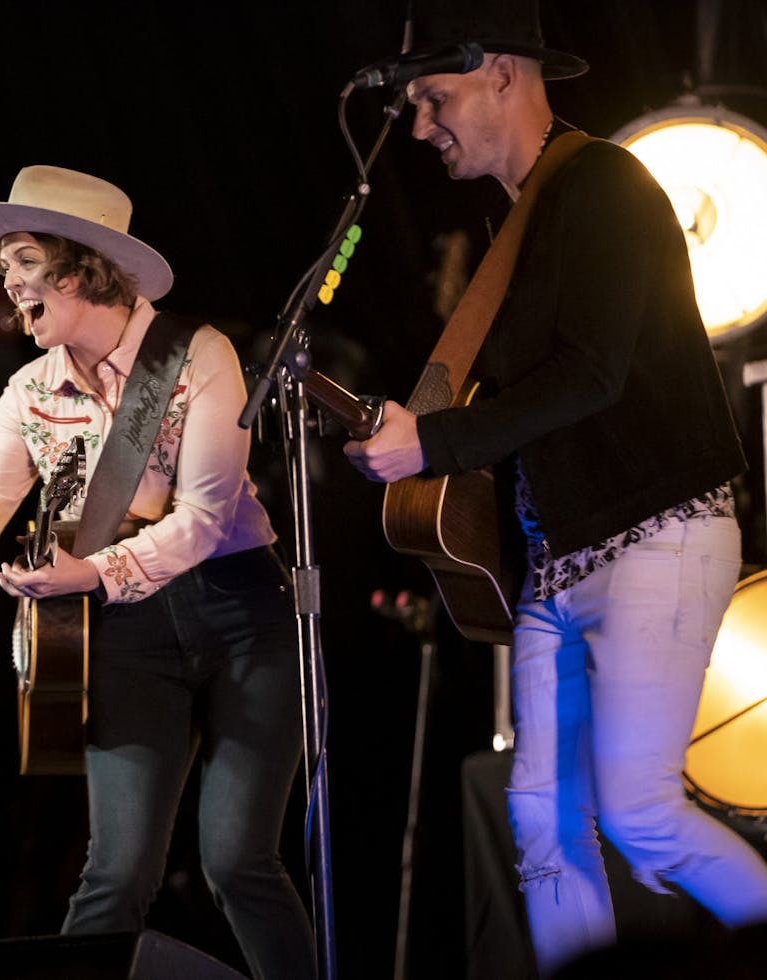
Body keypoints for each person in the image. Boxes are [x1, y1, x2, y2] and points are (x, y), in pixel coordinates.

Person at [341, 2, 767, 974]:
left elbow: (590, 376)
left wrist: (434, 442)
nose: (416, 126)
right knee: (538, 823)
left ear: (501, 72)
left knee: (640, 811)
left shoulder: (605, 184)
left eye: (431, 98)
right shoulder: (514, 224)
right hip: (558, 554)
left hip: (657, 531)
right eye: (410, 105)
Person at [0, 165, 316, 980]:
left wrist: (86, 574)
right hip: (125, 630)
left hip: (241, 612)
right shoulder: (28, 391)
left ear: (79, 263)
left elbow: (204, 518)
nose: (7, 282)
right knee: (115, 872)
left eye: (22, 260)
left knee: (237, 860)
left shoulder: (200, 355)